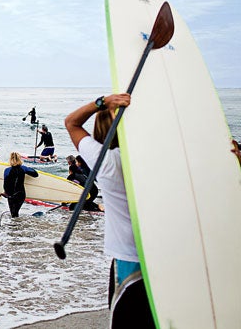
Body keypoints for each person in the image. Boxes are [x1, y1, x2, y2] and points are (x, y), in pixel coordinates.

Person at [64, 92, 154, 327]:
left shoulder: (107, 161)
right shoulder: (159, 157)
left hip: (130, 260)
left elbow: (71, 122)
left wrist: (101, 103)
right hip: (170, 257)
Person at [3, 152, 39, 217]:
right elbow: (35, 174)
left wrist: (6, 193)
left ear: (10, 160)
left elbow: (5, 184)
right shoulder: (23, 168)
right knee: (15, 212)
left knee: (13, 213)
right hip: (20, 194)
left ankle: (15, 225)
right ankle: (17, 225)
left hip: (11, 195)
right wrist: (29, 168)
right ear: (20, 159)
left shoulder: (7, 170)